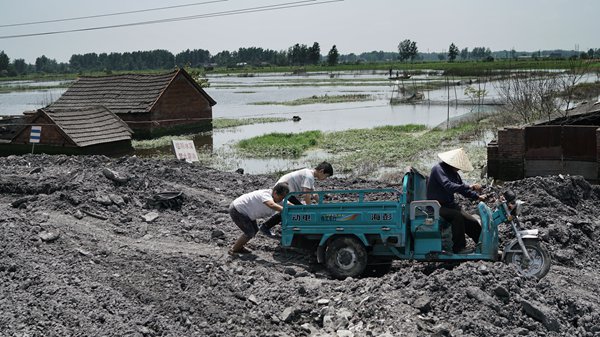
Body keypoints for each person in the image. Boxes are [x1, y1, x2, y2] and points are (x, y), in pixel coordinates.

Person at [426, 148, 486, 254]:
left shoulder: (454, 174)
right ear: (452, 163)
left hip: (449, 205)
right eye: (458, 166)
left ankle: (484, 245)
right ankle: (459, 248)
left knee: (472, 221)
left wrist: (477, 197)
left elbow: (463, 190)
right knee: (456, 216)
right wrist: (471, 186)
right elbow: (448, 186)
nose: (459, 169)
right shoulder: (438, 169)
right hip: (436, 207)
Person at [259, 161, 334, 237]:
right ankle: (266, 226)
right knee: (296, 210)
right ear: (321, 171)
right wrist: (309, 208)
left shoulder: (309, 175)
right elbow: (306, 194)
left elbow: (313, 193)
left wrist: (322, 204)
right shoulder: (309, 176)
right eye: (326, 176)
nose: (325, 178)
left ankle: (271, 226)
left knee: (293, 209)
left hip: (287, 191)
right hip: (283, 191)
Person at [228, 182, 290, 255]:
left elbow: (288, 204)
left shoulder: (278, 199)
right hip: (237, 210)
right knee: (249, 233)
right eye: (281, 197)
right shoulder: (266, 194)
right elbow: (271, 204)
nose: (282, 199)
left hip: (247, 213)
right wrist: (285, 210)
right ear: (275, 192)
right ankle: (234, 250)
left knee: (255, 230)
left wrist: (299, 208)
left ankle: (239, 247)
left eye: (284, 197)